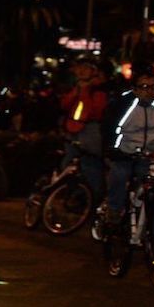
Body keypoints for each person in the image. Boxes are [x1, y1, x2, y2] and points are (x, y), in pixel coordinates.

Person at [102, 69, 154, 246]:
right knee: (120, 177)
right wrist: (113, 150)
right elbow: (110, 129)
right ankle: (114, 213)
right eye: (144, 87)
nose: (149, 91)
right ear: (135, 89)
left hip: (152, 155)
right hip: (125, 153)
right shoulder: (123, 105)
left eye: (153, 87)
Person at [60, 56, 109, 201]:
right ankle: (74, 195)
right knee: (67, 164)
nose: (80, 71)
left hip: (90, 131)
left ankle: (91, 199)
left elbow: (96, 111)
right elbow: (64, 105)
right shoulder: (76, 87)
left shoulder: (98, 89)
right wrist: (78, 91)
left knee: (90, 165)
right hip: (72, 129)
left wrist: (85, 90)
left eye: (85, 68)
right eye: (79, 68)